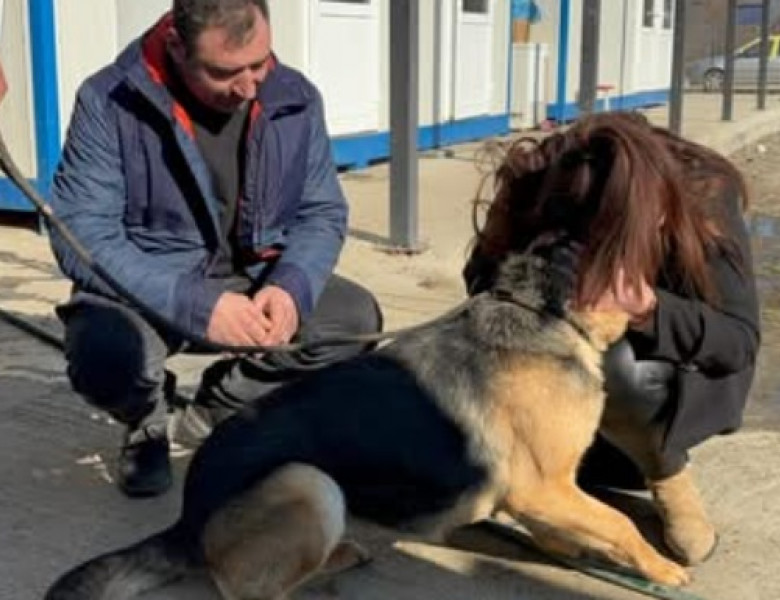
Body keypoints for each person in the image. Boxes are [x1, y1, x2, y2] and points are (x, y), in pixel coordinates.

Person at [49, 0, 382, 498]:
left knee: (352, 321)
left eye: (259, 63)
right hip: (150, 285)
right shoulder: (108, 100)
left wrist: (291, 287)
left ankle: (214, 410)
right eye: (225, 72)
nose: (249, 86)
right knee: (105, 353)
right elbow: (80, 234)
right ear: (177, 47)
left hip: (252, 278)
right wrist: (197, 305)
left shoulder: (295, 97)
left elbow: (322, 211)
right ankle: (147, 421)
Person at [464, 112, 759, 567]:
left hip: (651, 391)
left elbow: (739, 339)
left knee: (615, 360)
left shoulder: (703, 193)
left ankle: (667, 473)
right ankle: (539, 473)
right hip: (550, 397)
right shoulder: (538, 178)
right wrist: (530, 274)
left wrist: (648, 308)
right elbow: (479, 282)